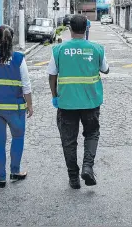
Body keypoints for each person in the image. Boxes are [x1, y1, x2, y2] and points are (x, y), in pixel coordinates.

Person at [47, 14, 109, 189]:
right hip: (91, 102)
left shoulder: (59, 50)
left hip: (66, 103)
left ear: (69, 29)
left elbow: (52, 75)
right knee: (91, 134)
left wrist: (55, 96)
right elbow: (106, 69)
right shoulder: (96, 48)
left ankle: (73, 178)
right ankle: (88, 167)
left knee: (69, 140)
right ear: (86, 29)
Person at [0, 25, 33, 188]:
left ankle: (1, 178)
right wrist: (29, 105)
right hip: (14, 109)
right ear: (12, 39)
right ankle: (15, 172)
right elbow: (26, 85)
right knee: (17, 137)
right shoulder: (18, 58)